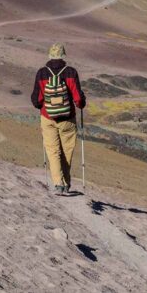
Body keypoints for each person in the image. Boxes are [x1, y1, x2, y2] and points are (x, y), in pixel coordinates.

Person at [31, 43, 86, 195]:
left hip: (48, 118)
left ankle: (58, 184)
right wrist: (82, 103)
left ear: (50, 55)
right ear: (63, 55)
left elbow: (36, 100)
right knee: (67, 151)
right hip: (68, 119)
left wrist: (44, 105)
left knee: (53, 151)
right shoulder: (70, 72)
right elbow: (78, 99)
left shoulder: (42, 73)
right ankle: (66, 183)